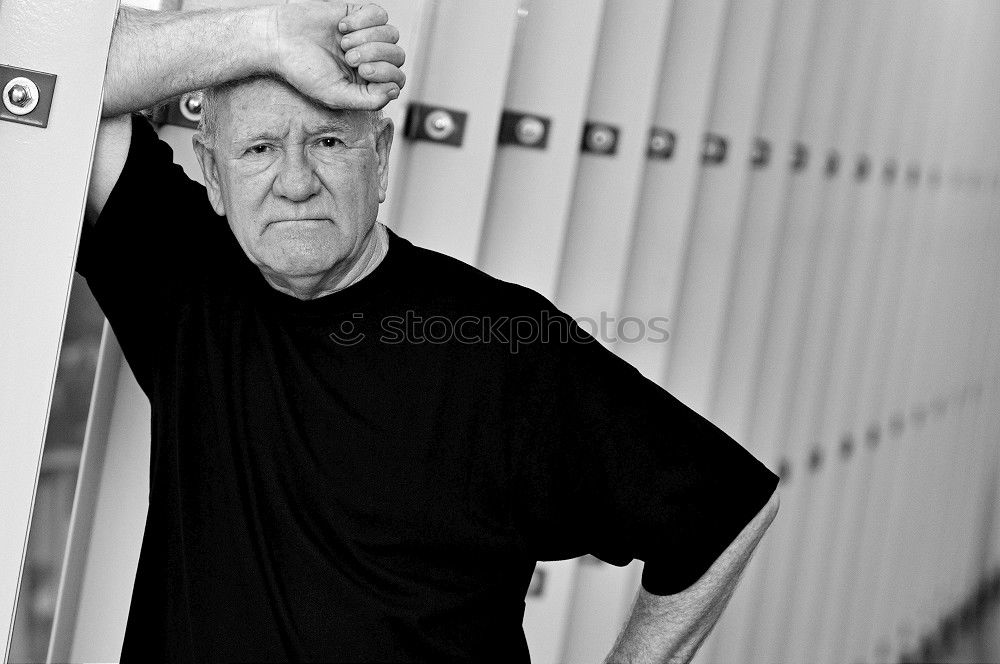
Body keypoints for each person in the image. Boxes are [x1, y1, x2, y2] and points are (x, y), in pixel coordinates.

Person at [79, 3, 779, 662]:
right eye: (259, 148)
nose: (294, 182)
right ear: (212, 171)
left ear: (380, 157)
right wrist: (267, 33)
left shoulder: (498, 343)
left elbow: (720, 510)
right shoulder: (184, 286)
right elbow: (50, 59)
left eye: (327, 141)